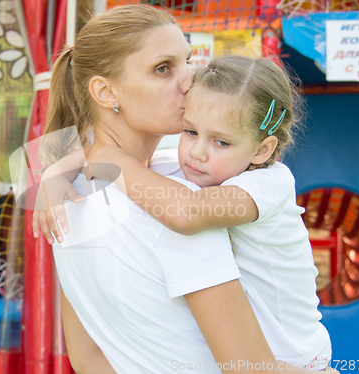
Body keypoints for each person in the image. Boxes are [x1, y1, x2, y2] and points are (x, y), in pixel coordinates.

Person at [32, 5, 336, 374]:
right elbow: (249, 368)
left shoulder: (69, 200)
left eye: (188, 61)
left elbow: (88, 359)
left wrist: (64, 167)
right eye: (164, 69)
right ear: (106, 90)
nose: (189, 80)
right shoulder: (174, 201)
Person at [87, 55, 332, 370]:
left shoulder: (269, 184)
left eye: (221, 142)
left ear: (261, 150)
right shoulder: (189, 168)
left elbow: (187, 213)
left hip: (296, 360)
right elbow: (98, 162)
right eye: (190, 132)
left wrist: (110, 158)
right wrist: (55, 188)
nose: (197, 152)